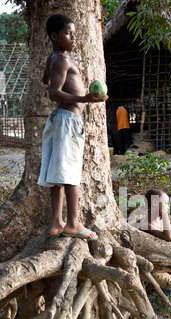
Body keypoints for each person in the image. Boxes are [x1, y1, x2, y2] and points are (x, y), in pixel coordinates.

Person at [37, 14, 108, 239]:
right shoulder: (62, 60)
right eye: (69, 34)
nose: (73, 37)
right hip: (68, 121)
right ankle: (73, 223)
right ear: (54, 36)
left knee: (58, 173)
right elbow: (52, 92)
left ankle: (56, 223)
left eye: (75, 33)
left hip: (60, 120)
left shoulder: (55, 59)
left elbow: (45, 80)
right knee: (71, 174)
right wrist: (87, 98)